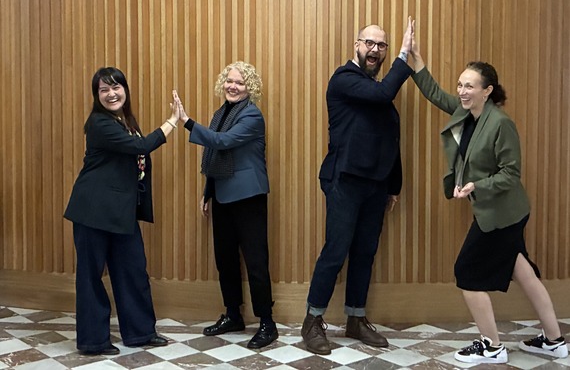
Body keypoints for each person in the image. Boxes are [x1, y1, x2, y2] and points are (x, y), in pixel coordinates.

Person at [408, 29, 568, 364]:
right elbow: (437, 94)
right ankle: (555, 340)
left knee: (466, 272)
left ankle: (492, 346)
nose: (462, 91)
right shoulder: (467, 112)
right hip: (497, 211)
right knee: (523, 272)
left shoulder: (500, 123)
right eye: (461, 84)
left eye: (469, 86)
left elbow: (511, 173)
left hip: (503, 213)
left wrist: (475, 186)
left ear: (487, 91)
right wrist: (415, 58)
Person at [301, 18, 415, 355]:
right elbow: (383, 93)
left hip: (375, 186)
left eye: (382, 46)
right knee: (336, 252)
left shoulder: (376, 92)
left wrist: (393, 186)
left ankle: (355, 318)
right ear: (356, 44)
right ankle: (312, 321)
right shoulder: (344, 79)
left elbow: (389, 141)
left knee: (365, 252)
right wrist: (405, 54)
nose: (375, 50)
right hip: (345, 180)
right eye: (370, 43)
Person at [64, 67, 179, 356]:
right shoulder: (99, 124)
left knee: (133, 270)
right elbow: (139, 147)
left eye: (116, 87)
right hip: (92, 211)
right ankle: (93, 341)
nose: (111, 93)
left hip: (121, 212)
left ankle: (140, 332)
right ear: (97, 95)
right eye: (104, 89)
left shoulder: (125, 120)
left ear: (125, 90)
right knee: (90, 278)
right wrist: (172, 122)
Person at [174, 61, 277, 350]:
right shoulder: (221, 113)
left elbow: (223, 141)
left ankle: (267, 323)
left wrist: (187, 122)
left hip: (249, 199)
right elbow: (214, 154)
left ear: (250, 88)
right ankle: (233, 315)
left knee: (256, 263)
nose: (233, 86)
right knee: (225, 260)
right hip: (222, 197)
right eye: (229, 81)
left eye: (240, 83)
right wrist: (207, 192)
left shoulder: (252, 115)